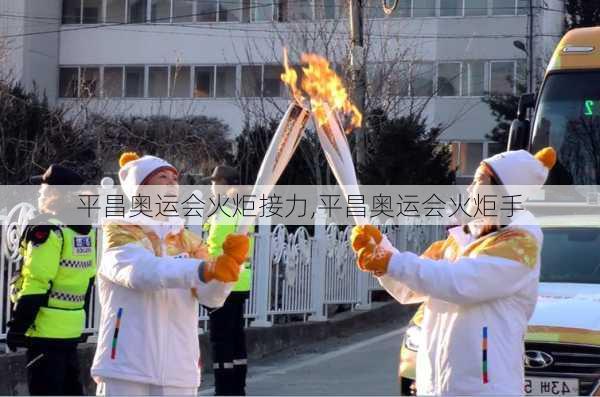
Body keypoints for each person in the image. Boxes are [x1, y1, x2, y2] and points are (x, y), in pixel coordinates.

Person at [350, 147, 556, 395]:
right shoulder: (459, 241)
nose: (470, 189)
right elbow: (410, 288)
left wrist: (391, 261)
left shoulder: (519, 244)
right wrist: (380, 249)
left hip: (486, 389)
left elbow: (459, 283)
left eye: (479, 181)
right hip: (438, 387)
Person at [91, 153, 249, 396]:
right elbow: (141, 273)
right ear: (140, 189)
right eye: (162, 177)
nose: (171, 183)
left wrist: (227, 270)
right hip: (126, 365)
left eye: (174, 179)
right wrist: (204, 269)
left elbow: (210, 297)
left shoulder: (188, 239)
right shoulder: (120, 230)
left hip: (179, 368)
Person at [7, 164, 97, 395]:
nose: (38, 192)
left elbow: (37, 280)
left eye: (42, 188)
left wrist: (18, 326)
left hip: (44, 328)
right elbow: (87, 279)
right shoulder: (83, 231)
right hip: (71, 327)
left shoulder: (47, 230)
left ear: (53, 194)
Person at [204, 165, 253, 396]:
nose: (212, 186)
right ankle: (237, 388)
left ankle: (224, 389)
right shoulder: (241, 210)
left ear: (226, 184)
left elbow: (216, 248)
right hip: (241, 282)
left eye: (215, 182)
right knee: (236, 336)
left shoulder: (225, 213)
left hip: (224, 283)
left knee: (220, 339)